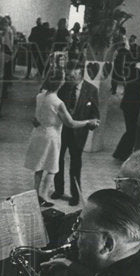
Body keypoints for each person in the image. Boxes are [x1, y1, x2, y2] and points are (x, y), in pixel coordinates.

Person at [24, 71, 99, 206]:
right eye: (66, 78)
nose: (69, 79)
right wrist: (88, 122)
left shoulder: (40, 96)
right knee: (53, 167)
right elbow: (70, 123)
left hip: (41, 133)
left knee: (40, 166)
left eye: (72, 76)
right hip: (53, 135)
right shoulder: (58, 101)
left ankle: (37, 194)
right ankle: (45, 196)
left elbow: (38, 115)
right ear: (60, 83)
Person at [51, 61, 100, 207]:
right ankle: (59, 190)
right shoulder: (63, 87)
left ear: (79, 73)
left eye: (71, 75)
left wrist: (94, 123)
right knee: (57, 160)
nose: (67, 78)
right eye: (67, 75)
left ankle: (75, 194)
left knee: (75, 164)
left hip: (79, 133)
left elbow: (95, 113)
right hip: (61, 131)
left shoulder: (91, 90)